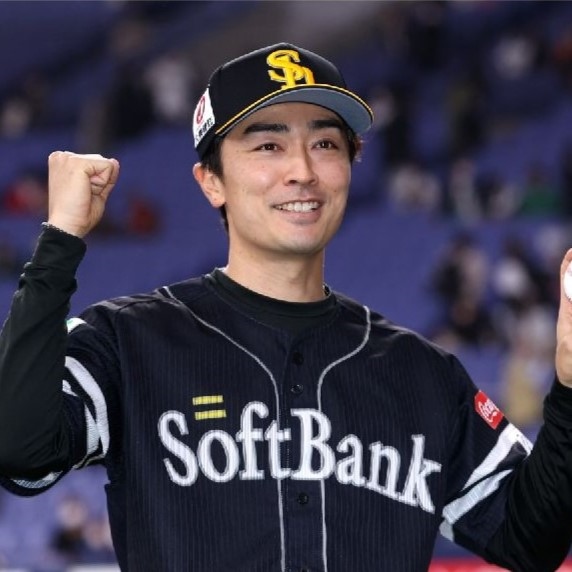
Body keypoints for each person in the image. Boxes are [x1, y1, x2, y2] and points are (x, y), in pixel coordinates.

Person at [1, 42, 572, 572]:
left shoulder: (424, 375)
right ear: (211, 181)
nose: (302, 170)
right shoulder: (128, 342)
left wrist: (570, 388)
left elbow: (531, 538)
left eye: (325, 144)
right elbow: (19, 451)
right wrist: (59, 243)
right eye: (268, 145)